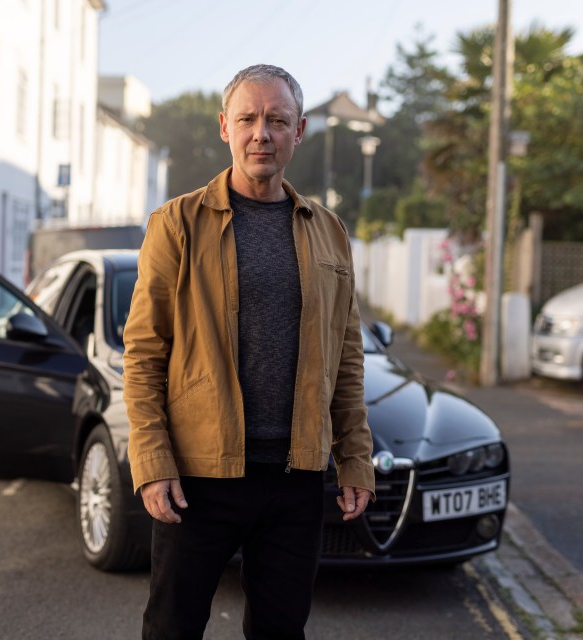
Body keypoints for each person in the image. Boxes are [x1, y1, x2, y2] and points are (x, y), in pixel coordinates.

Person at [123, 64, 375, 640]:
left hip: (295, 476)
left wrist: (354, 457)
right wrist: (153, 463)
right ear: (225, 128)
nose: (262, 132)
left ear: (299, 130)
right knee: (171, 628)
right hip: (198, 475)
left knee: (282, 632)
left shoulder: (329, 232)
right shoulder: (176, 224)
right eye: (248, 119)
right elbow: (143, 354)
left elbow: (347, 357)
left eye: (277, 120)